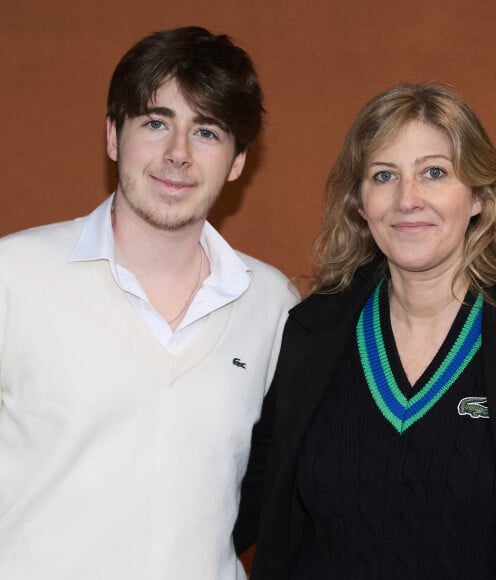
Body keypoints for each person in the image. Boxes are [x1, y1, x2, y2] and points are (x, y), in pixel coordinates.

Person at [247, 83, 496, 579]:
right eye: (384, 176)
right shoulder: (310, 334)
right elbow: (244, 506)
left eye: (434, 173)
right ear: (360, 203)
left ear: (479, 197)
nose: (408, 199)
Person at [0, 26, 297, 579]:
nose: (177, 154)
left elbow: (275, 488)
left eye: (206, 132)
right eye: (156, 123)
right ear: (114, 136)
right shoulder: (13, 276)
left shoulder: (273, 304)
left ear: (237, 161)